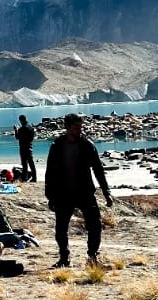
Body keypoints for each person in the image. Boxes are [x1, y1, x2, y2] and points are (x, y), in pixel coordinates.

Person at [44, 113, 112, 267]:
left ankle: (92, 257)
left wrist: (106, 192)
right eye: (76, 127)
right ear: (67, 127)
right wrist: (50, 196)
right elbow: (50, 172)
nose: (79, 130)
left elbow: (98, 169)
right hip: (63, 194)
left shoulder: (87, 145)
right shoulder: (57, 145)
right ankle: (64, 258)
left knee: (95, 225)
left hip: (85, 192)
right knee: (61, 229)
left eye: (80, 127)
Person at [14, 115, 37, 183]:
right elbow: (32, 137)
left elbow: (17, 137)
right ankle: (34, 177)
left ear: (20, 120)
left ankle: (25, 178)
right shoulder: (30, 127)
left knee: (24, 163)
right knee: (31, 163)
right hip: (29, 146)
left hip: (23, 147)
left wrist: (16, 130)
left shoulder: (22, 129)